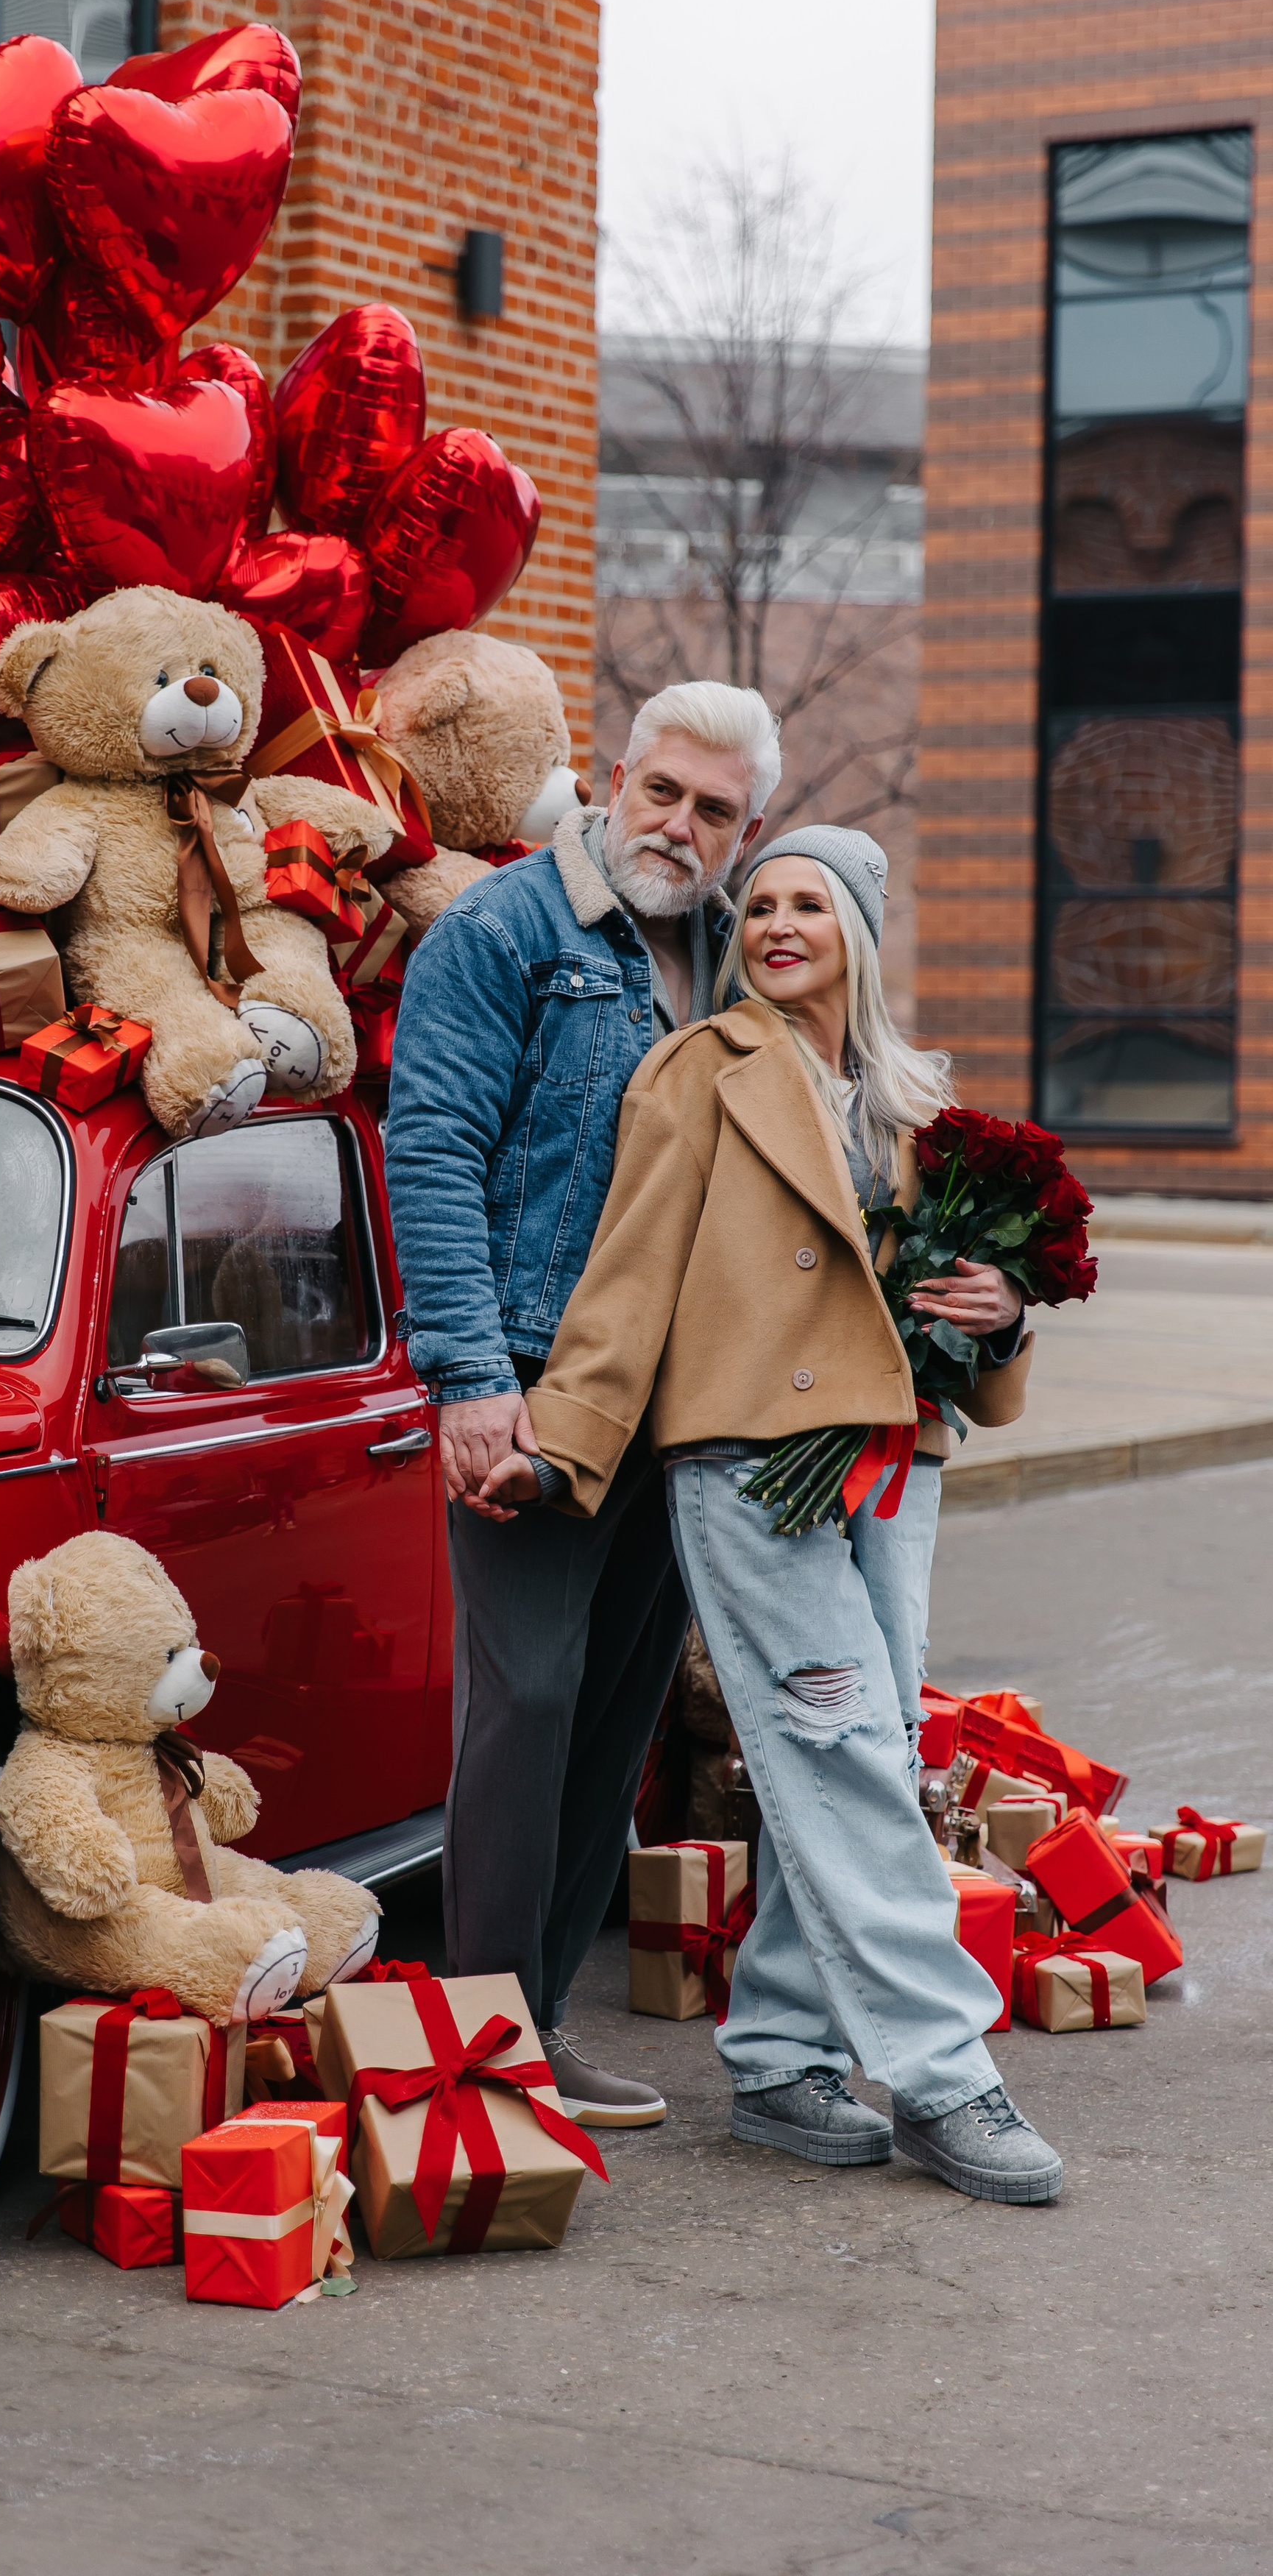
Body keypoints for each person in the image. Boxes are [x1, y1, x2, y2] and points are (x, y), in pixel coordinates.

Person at [472, 826, 1064, 2203]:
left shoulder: (916, 1100)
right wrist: (561, 1439)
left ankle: (782, 2055)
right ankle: (944, 2070)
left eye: (814, 904)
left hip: (899, 1453)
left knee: (866, 1740)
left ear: (862, 930)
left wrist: (1006, 1314)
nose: (780, 924)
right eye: (764, 905)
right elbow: (630, 1276)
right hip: (750, 1458)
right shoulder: (699, 1069)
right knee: (838, 1737)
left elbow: (976, 1322)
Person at [386, 679, 782, 2127]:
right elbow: (429, 1151)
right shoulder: (501, 934)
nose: (678, 827)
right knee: (530, 1696)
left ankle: (535, 2023)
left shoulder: (746, 960)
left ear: (749, 829)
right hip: (542, 1387)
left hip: (690, 1406)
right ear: (613, 777)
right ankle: (480, 2043)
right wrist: (472, 1383)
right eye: (661, 791)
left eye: (713, 811)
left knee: (615, 1714)